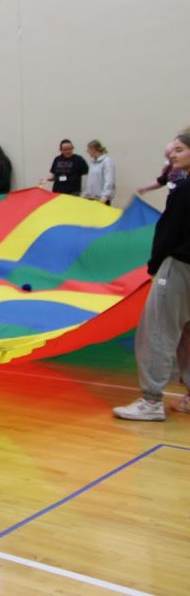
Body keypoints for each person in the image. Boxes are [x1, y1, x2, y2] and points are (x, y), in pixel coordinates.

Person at [113, 131, 190, 421]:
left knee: (156, 330)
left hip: (180, 266)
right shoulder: (179, 183)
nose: (173, 154)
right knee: (186, 333)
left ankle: (151, 401)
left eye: (179, 150)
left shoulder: (184, 189)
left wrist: (155, 263)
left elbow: (168, 230)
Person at [81, 140, 116, 205]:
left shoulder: (107, 161)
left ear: (93, 149)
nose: (87, 152)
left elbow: (109, 180)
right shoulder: (93, 162)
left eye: (88, 149)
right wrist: (86, 193)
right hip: (91, 197)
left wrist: (106, 195)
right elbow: (91, 180)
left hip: (102, 199)